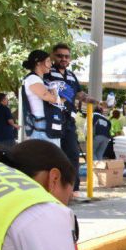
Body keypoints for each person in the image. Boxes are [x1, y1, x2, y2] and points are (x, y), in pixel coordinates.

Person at [48, 43, 90, 193]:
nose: (63, 59)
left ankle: (73, 189)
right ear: (53, 56)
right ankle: (53, 189)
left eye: (66, 56)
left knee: (72, 154)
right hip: (52, 120)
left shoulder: (71, 75)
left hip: (69, 121)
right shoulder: (47, 73)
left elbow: (79, 93)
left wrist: (94, 101)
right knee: (53, 156)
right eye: (60, 56)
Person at [21, 50, 64, 147]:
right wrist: (55, 92)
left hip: (46, 125)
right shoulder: (32, 79)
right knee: (49, 155)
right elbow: (50, 98)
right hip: (41, 126)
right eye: (48, 61)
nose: (51, 65)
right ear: (38, 63)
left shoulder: (41, 80)